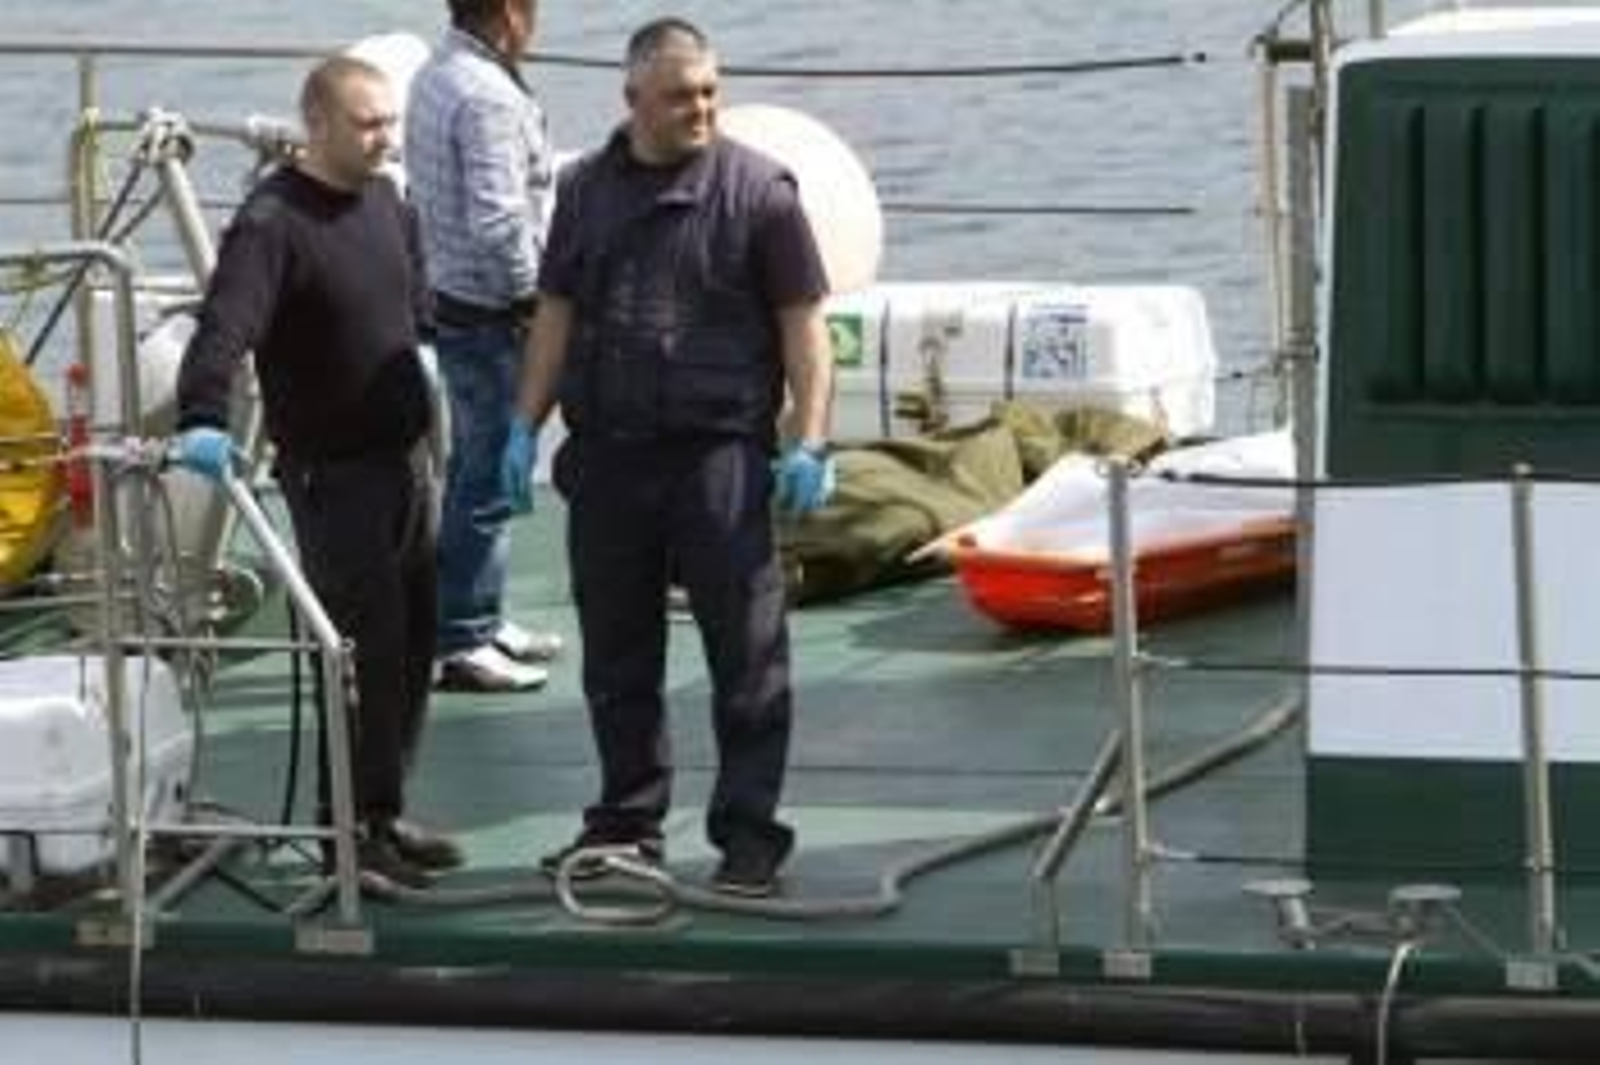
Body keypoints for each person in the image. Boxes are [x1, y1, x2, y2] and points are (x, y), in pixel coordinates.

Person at [502, 17, 838, 898]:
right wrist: (520, 425)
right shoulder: (583, 192)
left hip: (717, 458)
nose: (700, 109)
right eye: (680, 95)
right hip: (609, 454)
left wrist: (810, 438)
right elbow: (556, 312)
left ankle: (750, 833)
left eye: (709, 93)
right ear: (633, 100)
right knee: (616, 653)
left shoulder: (761, 194)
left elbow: (805, 329)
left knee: (747, 653)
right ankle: (625, 821)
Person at [173, 56, 460, 891]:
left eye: (389, 122)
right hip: (333, 477)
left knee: (409, 644)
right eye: (368, 123)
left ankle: (382, 811)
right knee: (356, 653)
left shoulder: (387, 200)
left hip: (406, 460)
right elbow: (224, 329)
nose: (384, 138)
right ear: (318, 124)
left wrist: (438, 375)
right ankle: (343, 844)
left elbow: (417, 307)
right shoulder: (272, 222)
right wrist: (201, 417)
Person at [405, 0, 561, 693]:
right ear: (509, 12)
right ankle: (460, 637)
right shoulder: (490, 97)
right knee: (487, 474)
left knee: (478, 463)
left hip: (451, 296)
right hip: (493, 311)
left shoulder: (437, 73)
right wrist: (535, 304)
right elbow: (501, 222)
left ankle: (479, 614)